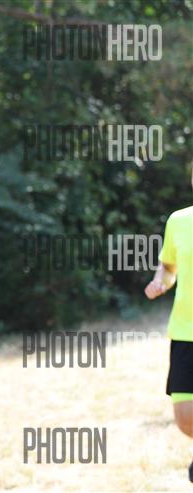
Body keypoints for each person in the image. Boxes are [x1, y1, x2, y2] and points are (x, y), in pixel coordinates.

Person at [144, 169, 193, 482]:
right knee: (185, 416)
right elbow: (169, 266)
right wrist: (161, 280)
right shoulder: (179, 220)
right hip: (186, 330)